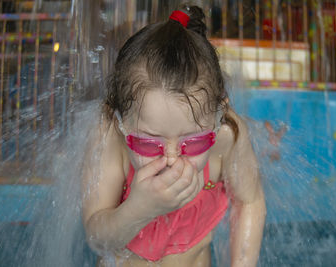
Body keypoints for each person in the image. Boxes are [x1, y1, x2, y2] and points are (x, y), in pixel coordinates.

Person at [82, 4, 266, 267]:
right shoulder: (110, 136)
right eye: (148, 143)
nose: (171, 158)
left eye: (193, 142)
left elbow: (251, 201)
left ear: (217, 116)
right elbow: (96, 238)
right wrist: (139, 209)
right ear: (122, 122)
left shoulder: (227, 136)